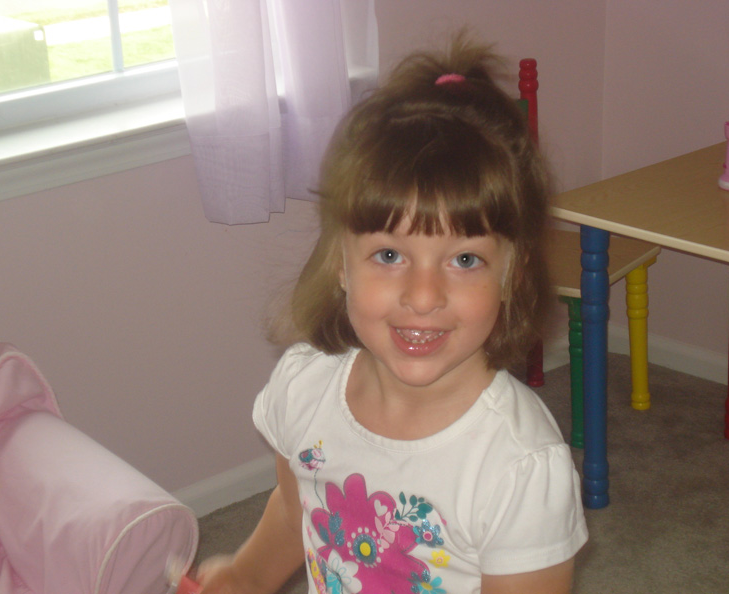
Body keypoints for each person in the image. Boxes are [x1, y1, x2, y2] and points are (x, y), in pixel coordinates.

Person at [197, 34, 588, 594]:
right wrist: (243, 577)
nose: (423, 297)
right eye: (388, 255)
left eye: (464, 259)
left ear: (513, 276)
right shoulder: (304, 389)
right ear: (340, 263)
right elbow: (292, 510)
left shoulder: (518, 465)